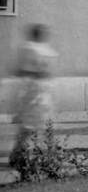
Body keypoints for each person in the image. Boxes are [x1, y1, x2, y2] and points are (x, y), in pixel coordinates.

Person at [9, 25, 58, 165]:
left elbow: (21, 70)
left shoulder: (29, 48)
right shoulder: (48, 51)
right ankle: (50, 154)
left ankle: (19, 153)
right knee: (43, 123)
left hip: (35, 89)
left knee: (31, 124)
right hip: (43, 89)